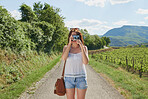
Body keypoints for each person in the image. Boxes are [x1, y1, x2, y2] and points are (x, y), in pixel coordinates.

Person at [61, 28, 89, 99]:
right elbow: (64, 58)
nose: (74, 38)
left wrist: (81, 47)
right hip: (69, 78)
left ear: (79, 37)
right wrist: (69, 44)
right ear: (69, 37)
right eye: (73, 36)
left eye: (76, 36)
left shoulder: (84, 48)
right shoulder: (66, 48)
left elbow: (85, 62)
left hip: (81, 77)